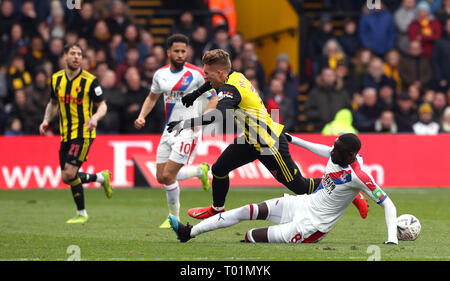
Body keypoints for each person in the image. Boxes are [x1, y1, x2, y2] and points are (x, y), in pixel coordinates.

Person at [168, 49, 367, 220]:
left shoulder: (231, 88)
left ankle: (346, 186)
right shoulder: (233, 75)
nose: (205, 77)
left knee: (300, 187)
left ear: (220, 72)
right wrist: (194, 95)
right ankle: (217, 209)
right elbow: (213, 82)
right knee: (219, 169)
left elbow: (218, 115)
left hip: (269, 143)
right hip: (251, 139)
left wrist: (185, 124)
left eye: (207, 74)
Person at [168, 133, 397, 245]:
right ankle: (188, 233)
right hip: (302, 204)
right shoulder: (337, 154)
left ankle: (354, 198)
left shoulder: (360, 175)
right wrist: (294, 140)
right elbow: (322, 149)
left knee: (250, 237)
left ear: (350, 155)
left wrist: (391, 239)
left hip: (311, 226)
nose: (331, 151)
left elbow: (388, 203)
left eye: (336, 150)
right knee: (245, 211)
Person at [134, 34, 216, 228]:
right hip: (168, 130)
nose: (180, 55)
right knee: (161, 177)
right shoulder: (160, 74)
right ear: (168, 52)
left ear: (187, 52)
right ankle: (200, 170)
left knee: (169, 176)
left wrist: (203, 119)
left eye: (183, 51)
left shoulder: (196, 74)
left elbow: (214, 98)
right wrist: (142, 116)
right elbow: (152, 98)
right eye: (177, 51)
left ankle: (174, 218)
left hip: (188, 130)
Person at [39, 43, 112, 224]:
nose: (76, 57)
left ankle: (83, 213)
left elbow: (102, 105)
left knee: (70, 173)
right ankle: (99, 180)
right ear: (65, 56)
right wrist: (46, 120)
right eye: (72, 53)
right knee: (66, 176)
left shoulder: (90, 80)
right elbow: (53, 103)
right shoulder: (56, 79)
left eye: (79, 54)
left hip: (83, 134)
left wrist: (95, 118)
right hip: (65, 134)